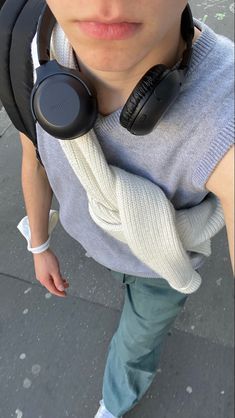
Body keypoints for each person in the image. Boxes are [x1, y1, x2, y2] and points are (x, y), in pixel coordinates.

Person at [19, 1, 234, 417]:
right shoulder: (35, 56)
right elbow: (34, 158)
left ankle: (115, 402)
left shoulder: (223, 109)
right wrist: (38, 244)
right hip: (96, 241)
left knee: (136, 343)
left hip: (161, 269)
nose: (106, 4)